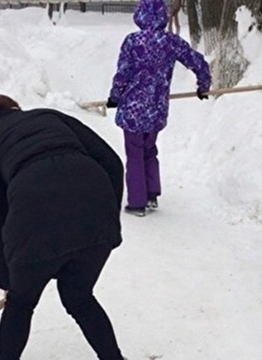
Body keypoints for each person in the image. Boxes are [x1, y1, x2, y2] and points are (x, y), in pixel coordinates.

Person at [0, 94, 136, 360]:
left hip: (33, 222)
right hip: (95, 215)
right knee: (79, 296)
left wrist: (7, 278)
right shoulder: (50, 117)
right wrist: (106, 215)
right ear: (14, 107)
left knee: (20, 304)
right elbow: (112, 163)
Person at [107, 0, 212, 217]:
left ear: (140, 15)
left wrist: (115, 97)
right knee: (149, 150)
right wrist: (203, 86)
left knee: (134, 153)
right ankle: (152, 193)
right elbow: (198, 62)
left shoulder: (133, 42)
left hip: (133, 110)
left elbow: (123, 73)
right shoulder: (171, 42)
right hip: (156, 108)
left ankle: (137, 203)